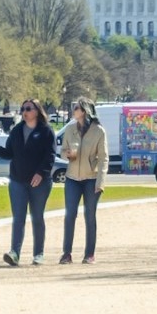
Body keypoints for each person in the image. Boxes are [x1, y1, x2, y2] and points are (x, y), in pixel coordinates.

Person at [0, 98, 56, 266]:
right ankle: (14, 253)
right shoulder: (16, 131)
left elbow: (50, 156)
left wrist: (41, 174)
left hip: (40, 182)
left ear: (37, 111)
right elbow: (8, 153)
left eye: (28, 108)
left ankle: (39, 254)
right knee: (18, 218)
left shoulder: (46, 131)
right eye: (22, 109)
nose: (24, 112)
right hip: (17, 180)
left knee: (37, 217)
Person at [58, 98, 107, 265]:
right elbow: (62, 151)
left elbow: (103, 159)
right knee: (70, 215)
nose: (74, 109)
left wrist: (100, 182)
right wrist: (68, 155)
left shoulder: (99, 131)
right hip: (72, 178)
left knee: (89, 216)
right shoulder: (70, 129)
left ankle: (89, 254)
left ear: (85, 111)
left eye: (77, 107)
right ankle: (66, 253)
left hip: (91, 179)